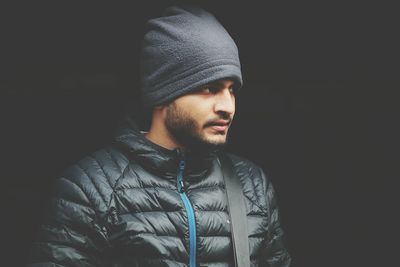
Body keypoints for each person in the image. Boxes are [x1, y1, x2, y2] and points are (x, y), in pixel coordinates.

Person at [26, 4, 291, 267]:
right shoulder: (91, 189)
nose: (227, 106)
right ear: (163, 93)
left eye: (232, 89)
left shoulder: (253, 187)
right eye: (211, 88)